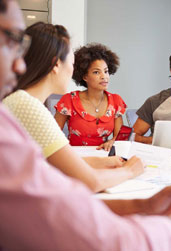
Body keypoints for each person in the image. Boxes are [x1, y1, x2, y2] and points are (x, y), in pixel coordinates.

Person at [0, 1, 171, 249]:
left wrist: (145, 205)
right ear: (58, 65)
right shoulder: (27, 106)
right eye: (13, 40)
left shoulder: (20, 107)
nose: (19, 64)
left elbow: (53, 181)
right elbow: (83, 207)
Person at [3, 22, 144, 193]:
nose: (71, 71)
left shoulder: (21, 101)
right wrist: (130, 170)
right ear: (56, 65)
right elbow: (91, 182)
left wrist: (107, 162)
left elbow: (57, 160)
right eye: (71, 62)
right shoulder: (29, 107)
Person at [55, 43, 125, 151]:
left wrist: (112, 142)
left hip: (104, 157)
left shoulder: (116, 101)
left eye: (106, 71)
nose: (104, 77)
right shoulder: (69, 100)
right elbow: (53, 135)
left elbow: (119, 137)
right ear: (85, 77)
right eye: (96, 72)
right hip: (75, 158)